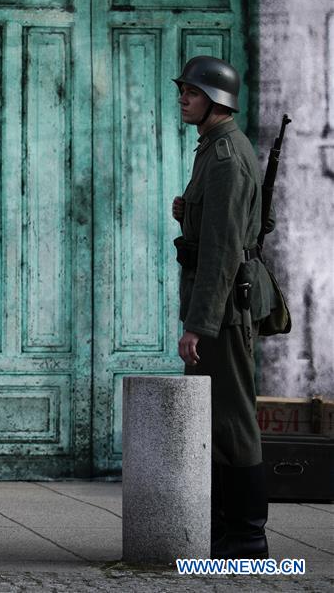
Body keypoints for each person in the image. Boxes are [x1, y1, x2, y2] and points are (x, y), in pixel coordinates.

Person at [172, 56, 276, 560]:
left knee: (231, 420)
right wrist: (186, 210)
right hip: (217, 306)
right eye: (183, 90)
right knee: (212, 421)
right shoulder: (213, 148)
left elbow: (220, 253)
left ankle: (247, 540)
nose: (183, 98)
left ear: (217, 99)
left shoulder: (225, 156)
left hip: (223, 311)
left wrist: (198, 326)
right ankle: (218, 534)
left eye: (191, 91)